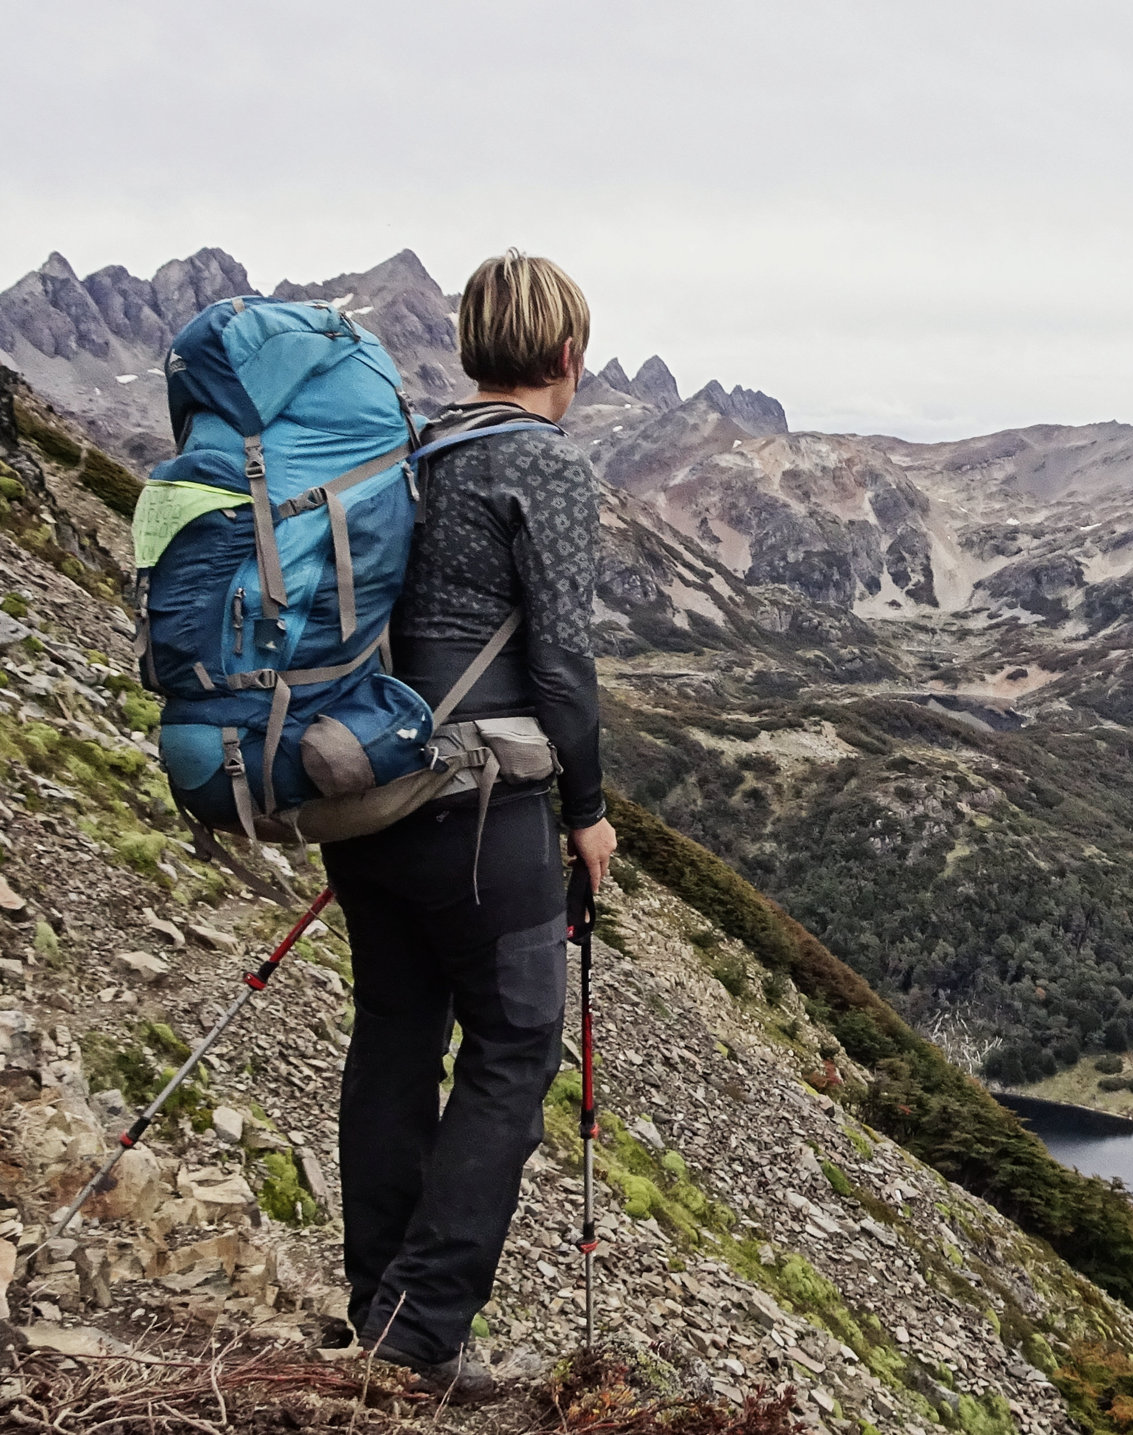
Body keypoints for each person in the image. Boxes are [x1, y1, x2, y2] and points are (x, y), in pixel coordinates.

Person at [321, 250, 617, 1397]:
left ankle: (376, 1307)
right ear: (565, 357)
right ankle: (421, 1331)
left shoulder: (412, 453)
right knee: (514, 1047)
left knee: (395, 1032)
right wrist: (586, 814)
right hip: (485, 808)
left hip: (369, 794)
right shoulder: (541, 465)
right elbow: (565, 663)